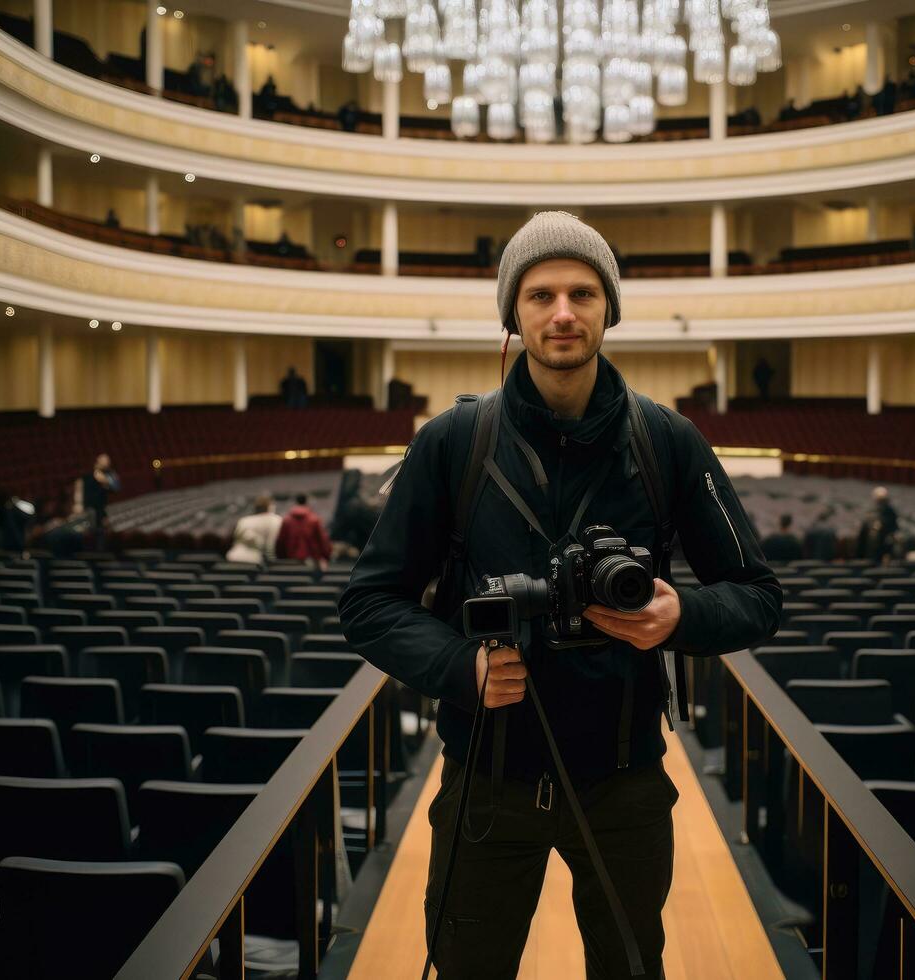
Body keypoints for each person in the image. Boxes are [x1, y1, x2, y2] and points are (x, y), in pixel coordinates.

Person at [338, 210, 782, 977]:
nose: (564, 314)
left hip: (627, 784)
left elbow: (759, 595)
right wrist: (460, 669)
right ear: (514, 311)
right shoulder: (451, 441)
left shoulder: (668, 439)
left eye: (583, 293)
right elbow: (370, 603)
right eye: (541, 295)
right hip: (486, 779)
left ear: (611, 307)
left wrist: (681, 616)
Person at [277, 493, 332, 570]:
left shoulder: (286, 521)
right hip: (310, 563)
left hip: (290, 562)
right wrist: (326, 557)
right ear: (306, 502)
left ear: (296, 502)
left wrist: (281, 558)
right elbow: (322, 541)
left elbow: (280, 542)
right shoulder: (314, 520)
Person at [226, 493, 283, 564]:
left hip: (233, 558)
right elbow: (271, 546)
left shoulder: (243, 521)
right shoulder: (276, 520)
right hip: (255, 561)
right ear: (270, 507)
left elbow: (235, 540)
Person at [78, 454, 120, 535]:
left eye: (108, 461)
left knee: (102, 530)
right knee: (92, 531)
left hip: (101, 507)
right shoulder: (88, 474)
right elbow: (82, 490)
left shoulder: (109, 474)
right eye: (105, 461)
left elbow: (116, 487)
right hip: (89, 507)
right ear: (98, 461)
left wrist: (105, 481)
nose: (108, 463)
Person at [857, 486, 899, 562]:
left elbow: (895, 529)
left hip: (887, 548)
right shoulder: (870, 514)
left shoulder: (891, 513)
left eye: (883, 500)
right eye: (880, 500)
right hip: (870, 551)